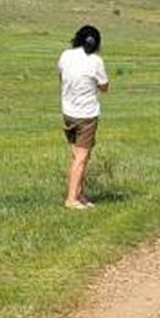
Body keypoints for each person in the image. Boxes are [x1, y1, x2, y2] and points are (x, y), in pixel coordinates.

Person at [57, 25, 109, 210]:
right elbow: (104, 86)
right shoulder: (96, 61)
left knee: (78, 156)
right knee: (82, 157)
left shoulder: (66, 55)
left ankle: (80, 194)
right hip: (86, 115)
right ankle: (71, 199)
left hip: (68, 112)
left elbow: (61, 76)